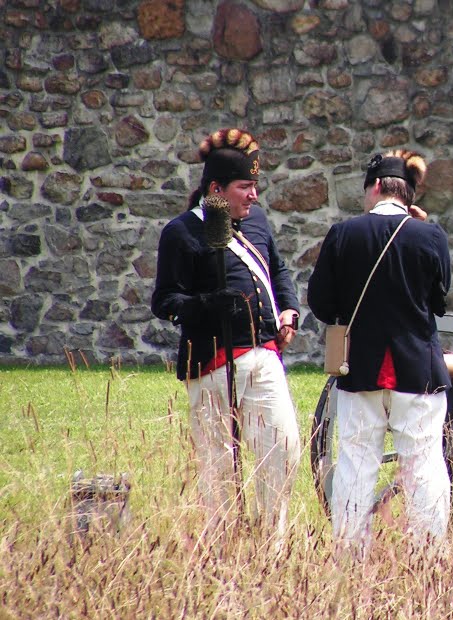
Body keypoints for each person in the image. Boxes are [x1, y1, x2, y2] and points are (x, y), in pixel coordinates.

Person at [151, 128, 301, 538]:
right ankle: (223, 545)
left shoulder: (257, 224)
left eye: (255, 186)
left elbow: (278, 270)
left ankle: (272, 541)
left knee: (284, 449)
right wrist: (204, 306)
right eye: (245, 187)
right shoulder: (182, 232)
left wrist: (288, 309)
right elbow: (164, 301)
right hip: (213, 362)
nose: (254, 195)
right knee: (219, 465)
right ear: (216, 189)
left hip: (263, 355)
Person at [307, 149, 452, 557]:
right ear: (406, 194)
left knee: (354, 463)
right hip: (417, 369)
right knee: (424, 465)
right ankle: (429, 556)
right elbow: (439, 301)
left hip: (359, 368)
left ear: (375, 188)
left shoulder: (343, 233)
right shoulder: (431, 235)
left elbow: (320, 302)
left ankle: (351, 557)